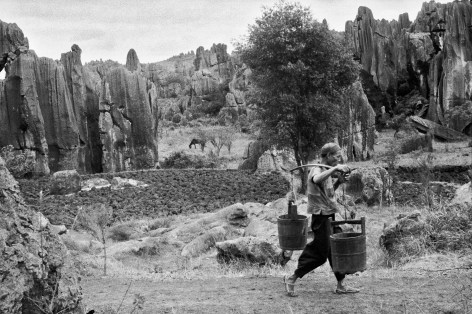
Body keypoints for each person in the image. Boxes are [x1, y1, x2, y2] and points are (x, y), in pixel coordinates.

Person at [283, 142, 360, 297]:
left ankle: (340, 285)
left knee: (336, 249)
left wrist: (339, 180)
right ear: (329, 156)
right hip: (320, 218)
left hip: (329, 215)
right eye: (337, 156)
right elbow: (316, 180)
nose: (339, 159)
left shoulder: (326, 171)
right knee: (319, 253)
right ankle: (292, 278)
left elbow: (328, 193)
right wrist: (335, 169)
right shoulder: (316, 170)